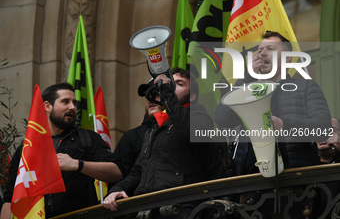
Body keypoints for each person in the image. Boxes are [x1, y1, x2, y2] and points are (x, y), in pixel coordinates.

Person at [103, 67, 226, 212]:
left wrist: (167, 91)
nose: (172, 87)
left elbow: (188, 131)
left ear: (192, 96)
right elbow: (138, 170)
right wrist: (117, 189)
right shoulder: (155, 128)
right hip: (150, 208)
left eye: (179, 84)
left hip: (182, 208)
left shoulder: (201, 117)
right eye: (170, 83)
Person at [215, 31, 332, 176]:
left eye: (270, 49)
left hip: (294, 181)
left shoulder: (306, 87)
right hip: (250, 182)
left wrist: (285, 125)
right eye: (259, 50)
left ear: (287, 58)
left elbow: (323, 129)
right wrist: (247, 77)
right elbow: (222, 118)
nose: (262, 54)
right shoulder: (248, 90)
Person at [1, 83, 122, 218]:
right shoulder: (27, 148)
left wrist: (78, 164)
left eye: (74, 103)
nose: (72, 107)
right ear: (47, 106)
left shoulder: (88, 138)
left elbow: (116, 172)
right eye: (65, 101)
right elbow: (10, 196)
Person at [112, 79, 164, 179]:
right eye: (148, 94)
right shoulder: (131, 136)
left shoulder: (179, 129)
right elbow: (118, 176)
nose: (151, 99)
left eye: (157, 93)